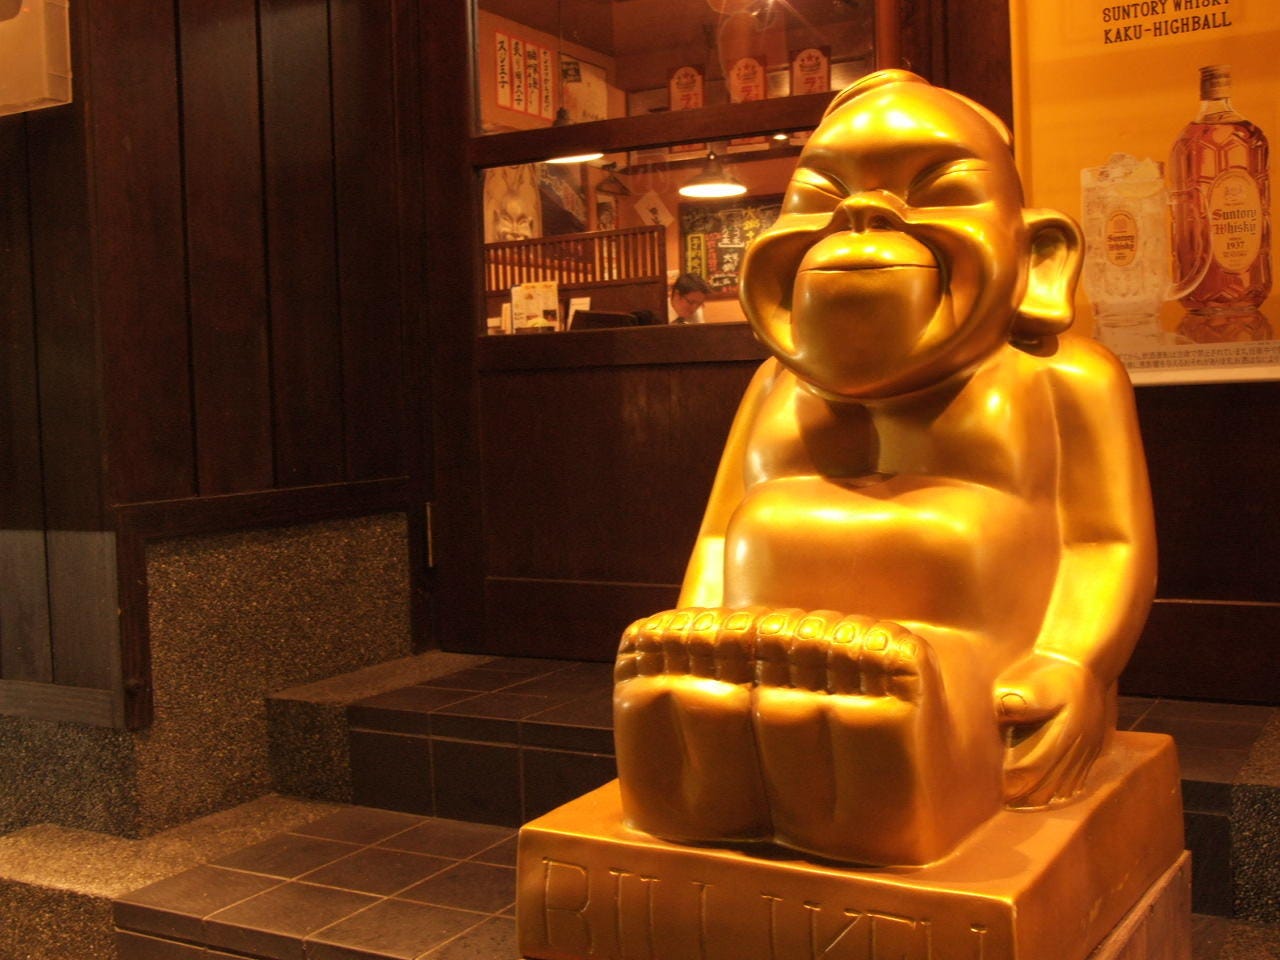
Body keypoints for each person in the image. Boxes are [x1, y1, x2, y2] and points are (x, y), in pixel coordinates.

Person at [613, 70, 1156, 867]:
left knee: (877, 772)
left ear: (1039, 256)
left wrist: (1075, 661)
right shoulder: (771, 387)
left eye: (937, 189)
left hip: (969, 682)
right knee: (691, 739)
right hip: (763, 656)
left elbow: (1105, 542)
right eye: (821, 195)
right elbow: (721, 534)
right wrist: (690, 631)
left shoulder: (1061, 380)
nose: (861, 213)